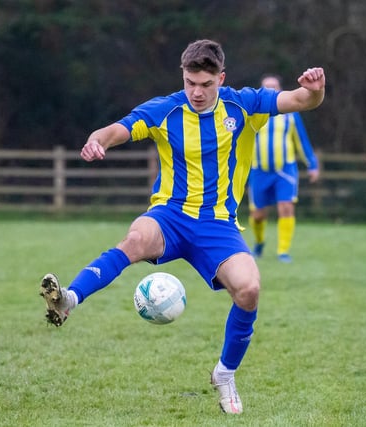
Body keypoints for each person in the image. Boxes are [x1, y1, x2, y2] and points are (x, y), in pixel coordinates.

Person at [39, 39, 325, 414]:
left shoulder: (245, 104)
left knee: (250, 289)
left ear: (221, 79)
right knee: (136, 239)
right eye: (191, 82)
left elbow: (302, 101)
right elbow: (116, 130)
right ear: (183, 76)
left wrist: (315, 90)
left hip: (218, 224)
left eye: (206, 84)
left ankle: (225, 373)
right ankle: (68, 300)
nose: (197, 92)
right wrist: (97, 143)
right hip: (170, 215)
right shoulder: (165, 110)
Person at [247, 74, 319, 263]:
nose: (270, 90)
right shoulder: (251, 114)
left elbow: (301, 140)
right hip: (259, 170)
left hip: (284, 170)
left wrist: (312, 164)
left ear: (280, 90)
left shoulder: (290, 115)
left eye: (274, 87)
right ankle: (259, 242)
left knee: (286, 207)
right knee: (258, 214)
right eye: (266, 87)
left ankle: (283, 251)